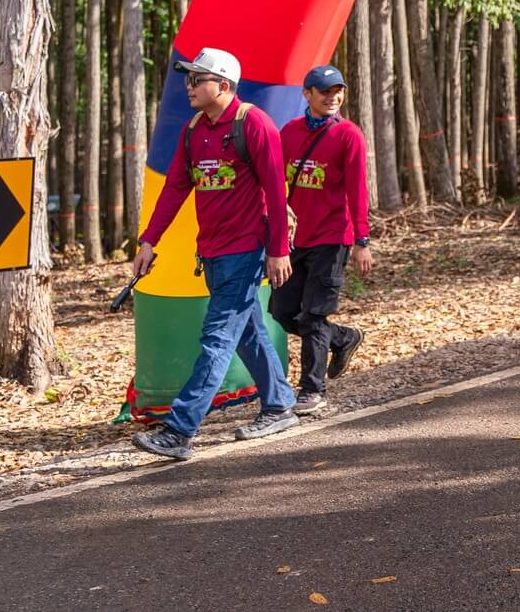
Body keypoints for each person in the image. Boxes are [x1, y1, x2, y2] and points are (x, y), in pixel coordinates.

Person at [131, 48, 297, 460]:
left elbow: (277, 193)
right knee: (247, 333)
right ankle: (279, 405)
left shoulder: (253, 124)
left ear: (223, 85)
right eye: (188, 79)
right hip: (212, 253)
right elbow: (174, 189)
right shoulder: (193, 130)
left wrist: (277, 250)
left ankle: (179, 430)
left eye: (197, 79)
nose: (188, 86)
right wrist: (149, 240)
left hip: (246, 251)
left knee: (216, 339)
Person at [269, 64, 372, 416]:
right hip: (297, 238)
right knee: (283, 313)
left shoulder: (348, 135)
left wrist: (362, 239)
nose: (333, 97)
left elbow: (358, 189)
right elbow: (273, 183)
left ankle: (312, 391)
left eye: (337, 91)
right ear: (307, 94)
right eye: (325, 91)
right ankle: (342, 337)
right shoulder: (290, 132)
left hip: (333, 237)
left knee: (314, 315)